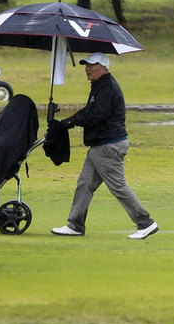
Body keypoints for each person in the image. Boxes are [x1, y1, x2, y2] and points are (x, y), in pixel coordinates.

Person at [50, 55, 159, 240]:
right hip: (99, 147)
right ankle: (75, 225)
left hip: (109, 146)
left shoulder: (107, 87)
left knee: (118, 186)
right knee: (84, 185)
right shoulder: (99, 86)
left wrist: (70, 122)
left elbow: (95, 116)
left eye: (92, 65)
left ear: (104, 67)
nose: (87, 69)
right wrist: (67, 122)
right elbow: (88, 111)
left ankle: (146, 223)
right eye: (86, 65)